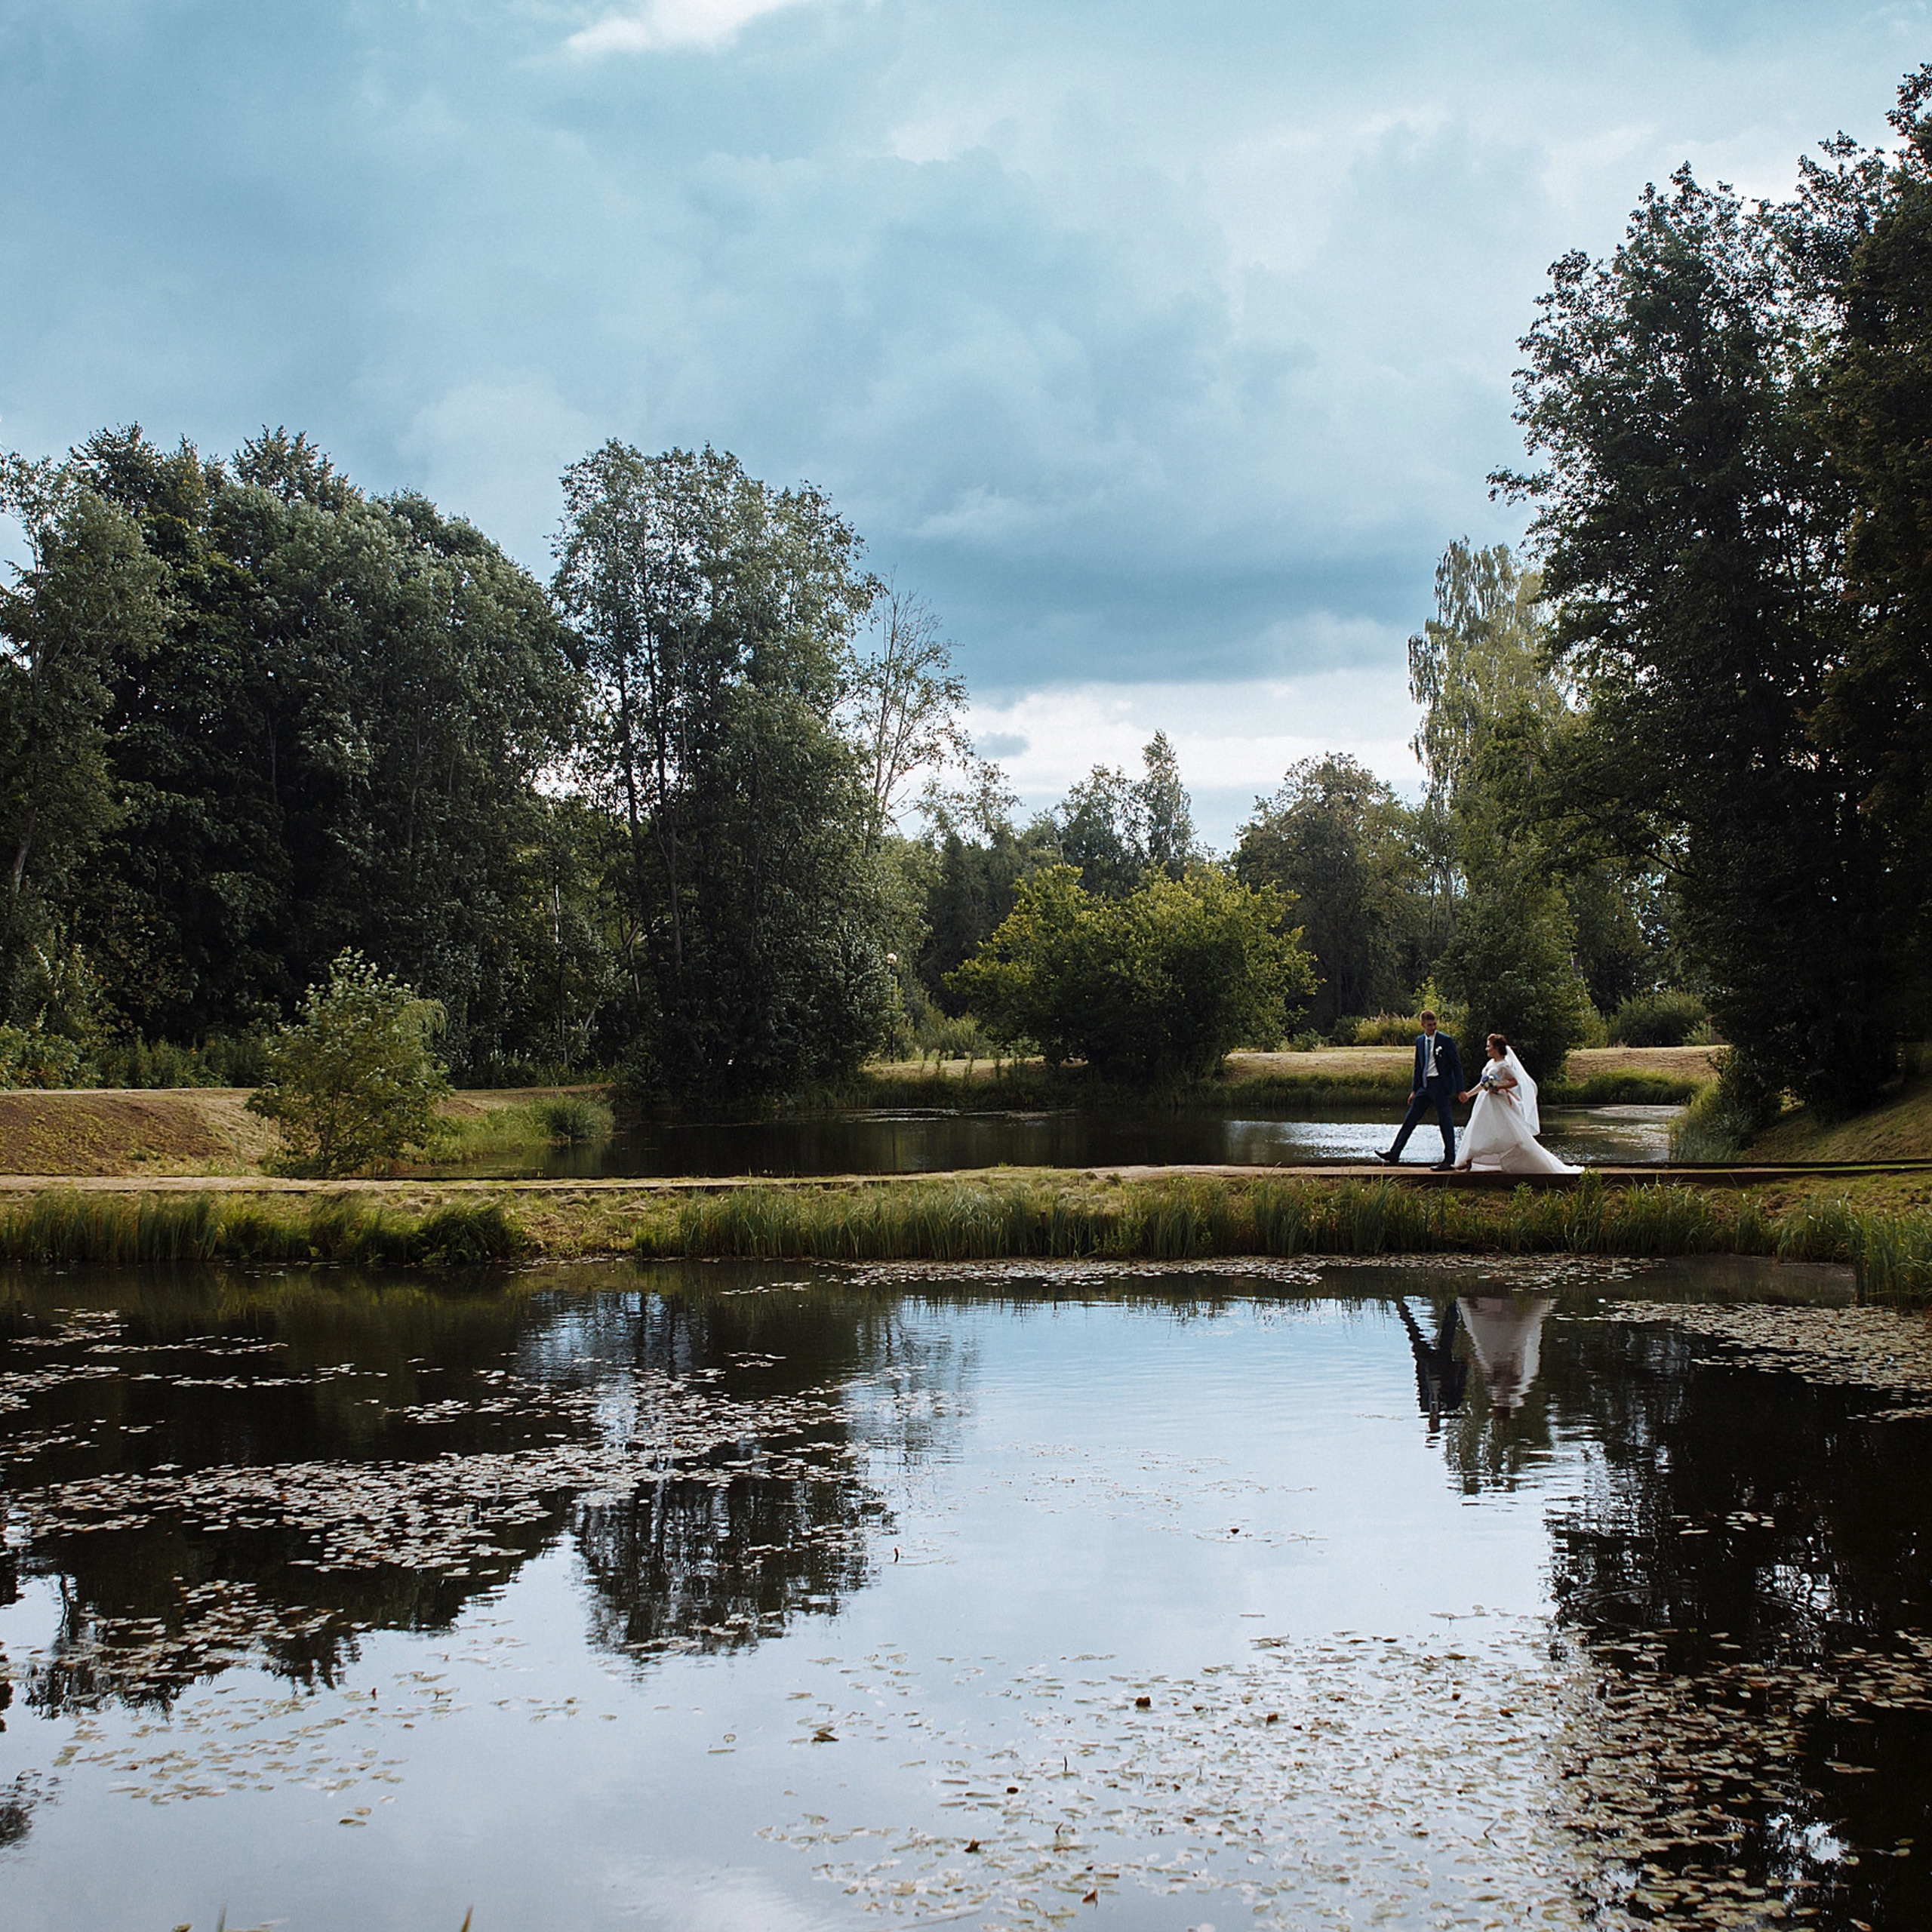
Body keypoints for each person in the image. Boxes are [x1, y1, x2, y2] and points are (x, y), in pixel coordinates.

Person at [1452, 1034, 1577, 1175]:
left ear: (1497, 1048)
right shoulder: (1490, 1064)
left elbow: (1515, 1081)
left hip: (1498, 1101)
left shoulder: (1504, 1065)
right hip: (1485, 1101)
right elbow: (1483, 1084)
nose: (1486, 1048)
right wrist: (1468, 1095)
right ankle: (1468, 1160)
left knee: (1508, 1132)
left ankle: (1522, 1160)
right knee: (1477, 1127)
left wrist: (1498, 1086)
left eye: (1489, 1046)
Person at [1376, 1010, 1463, 1170]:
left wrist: (1460, 1089)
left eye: (1434, 1024)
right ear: (1422, 1025)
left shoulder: (1446, 1041)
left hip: (1440, 1085)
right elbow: (1418, 1066)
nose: (1432, 1027)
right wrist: (1414, 1090)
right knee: (1410, 1119)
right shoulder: (1420, 1041)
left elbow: (1456, 1066)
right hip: (1424, 1085)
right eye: (1429, 1025)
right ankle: (1395, 1153)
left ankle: (1449, 1158)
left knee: (1445, 1121)